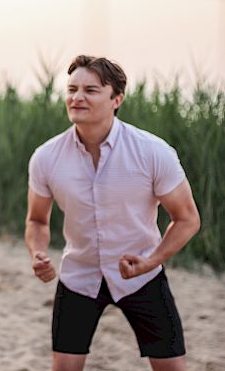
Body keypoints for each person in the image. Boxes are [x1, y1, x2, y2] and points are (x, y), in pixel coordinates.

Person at [25, 55, 201, 371]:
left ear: (116, 99)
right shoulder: (46, 157)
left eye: (90, 90)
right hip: (79, 275)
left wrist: (151, 260)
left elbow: (187, 218)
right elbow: (37, 219)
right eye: (72, 89)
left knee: (173, 368)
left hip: (141, 275)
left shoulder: (152, 151)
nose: (77, 97)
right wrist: (37, 252)